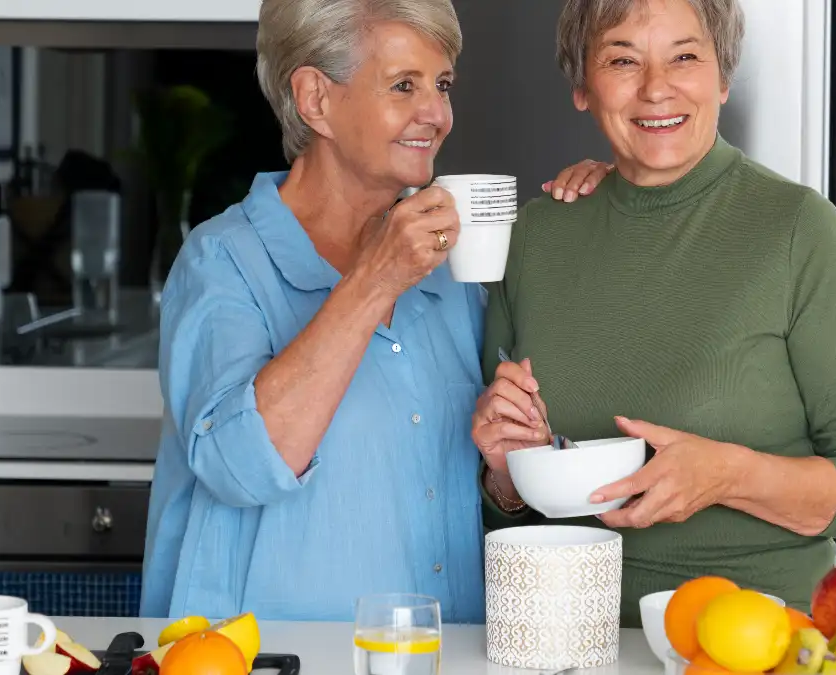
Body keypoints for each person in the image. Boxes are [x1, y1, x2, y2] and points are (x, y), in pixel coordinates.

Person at [140, 0, 610, 622]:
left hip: (437, 655)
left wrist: (504, 467)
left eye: (442, 85)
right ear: (314, 99)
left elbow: (477, 482)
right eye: (403, 86)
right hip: (267, 659)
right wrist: (374, 279)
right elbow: (242, 466)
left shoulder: (448, 269)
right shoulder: (221, 263)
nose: (437, 115)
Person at [473, 0, 836, 627]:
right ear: (582, 86)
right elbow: (502, 513)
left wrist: (729, 475)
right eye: (623, 60)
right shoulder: (536, 235)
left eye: (685, 56)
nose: (657, 88)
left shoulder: (796, 229)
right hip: (561, 641)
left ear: (722, 77)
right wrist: (505, 475)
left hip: (747, 643)